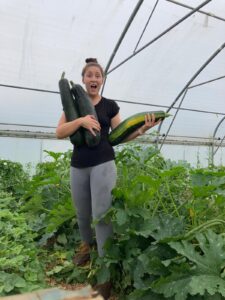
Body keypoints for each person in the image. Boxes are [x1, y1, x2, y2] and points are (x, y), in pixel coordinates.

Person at [56, 58, 159, 297]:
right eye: (89, 75)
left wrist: (141, 130)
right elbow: (59, 132)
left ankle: (106, 268)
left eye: (98, 75)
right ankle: (86, 245)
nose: (94, 79)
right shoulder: (72, 105)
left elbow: (119, 135)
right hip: (78, 165)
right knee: (82, 212)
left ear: (102, 80)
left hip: (103, 163)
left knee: (102, 215)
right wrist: (80, 121)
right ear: (83, 80)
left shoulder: (110, 105)